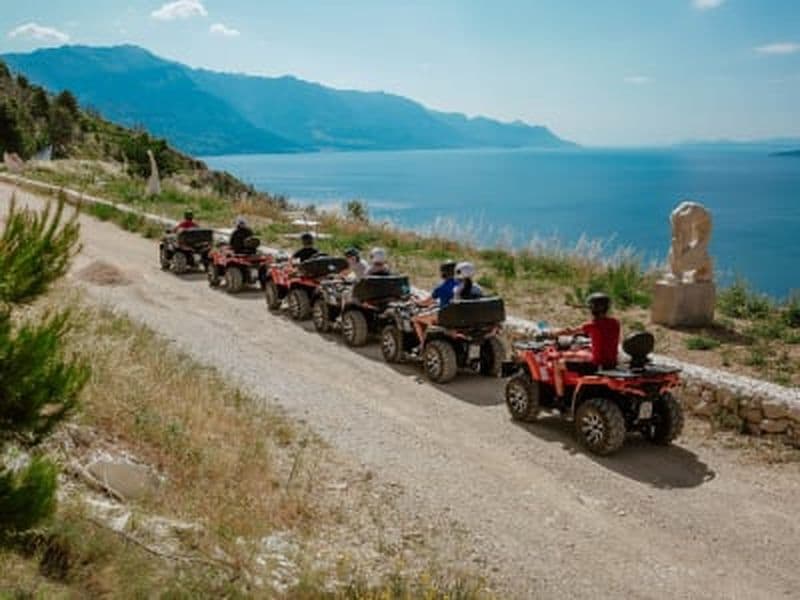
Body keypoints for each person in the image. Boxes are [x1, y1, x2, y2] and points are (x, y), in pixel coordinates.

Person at [550, 292, 621, 396]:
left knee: (558, 364)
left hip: (596, 366)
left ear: (593, 310)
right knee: (584, 355)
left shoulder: (591, 325)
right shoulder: (615, 323)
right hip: (612, 364)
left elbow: (570, 331)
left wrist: (553, 333)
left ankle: (560, 397)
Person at [412, 260, 458, 341]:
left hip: (445, 317)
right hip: (458, 316)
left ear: (443, 273)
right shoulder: (463, 284)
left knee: (416, 319)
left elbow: (426, 303)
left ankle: (423, 345)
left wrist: (416, 302)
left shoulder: (441, 287)